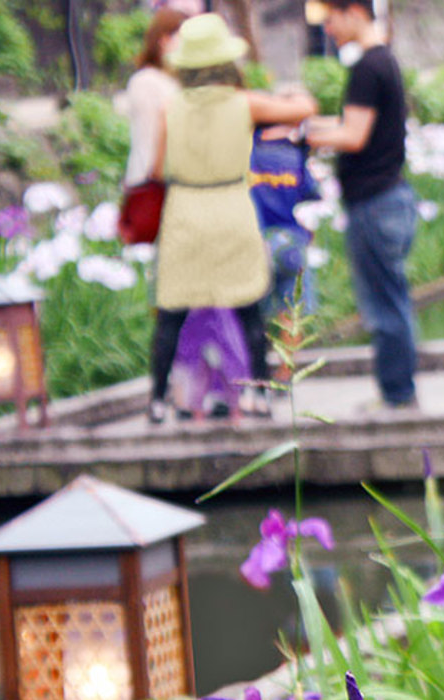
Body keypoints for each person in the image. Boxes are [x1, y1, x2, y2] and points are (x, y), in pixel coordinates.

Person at [148, 14, 316, 423]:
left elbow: (156, 170)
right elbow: (304, 109)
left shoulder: (170, 108)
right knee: (247, 306)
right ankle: (258, 395)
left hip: (186, 211)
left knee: (172, 311)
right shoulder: (244, 103)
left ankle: (156, 400)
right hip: (230, 205)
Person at [305, 0, 419, 410]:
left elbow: (353, 135)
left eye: (330, 19)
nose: (328, 28)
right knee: (393, 299)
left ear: (354, 11)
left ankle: (398, 395)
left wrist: (302, 134)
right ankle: (398, 390)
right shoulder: (383, 60)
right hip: (390, 197)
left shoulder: (368, 67)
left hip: (375, 203)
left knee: (384, 306)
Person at [249, 122, 321, 353]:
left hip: (255, 241)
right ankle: (284, 374)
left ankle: (255, 372)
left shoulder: (248, 154)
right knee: (292, 311)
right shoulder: (295, 154)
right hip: (291, 241)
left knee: (252, 313)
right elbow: (311, 198)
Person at [122, 8, 186, 189]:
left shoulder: (173, 81)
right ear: (164, 40)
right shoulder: (145, 81)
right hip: (150, 183)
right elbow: (150, 137)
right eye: (183, 40)